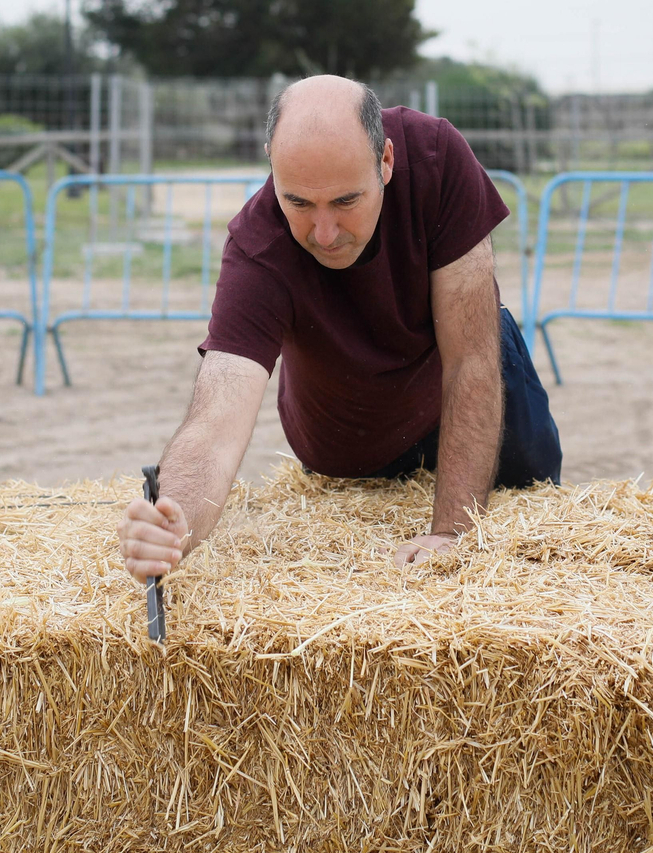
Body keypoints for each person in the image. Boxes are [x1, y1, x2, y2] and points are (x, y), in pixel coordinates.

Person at [117, 76, 561, 578]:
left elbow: (471, 358)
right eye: (299, 204)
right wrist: (172, 523)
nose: (323, 234)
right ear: (270, 160)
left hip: (471, 393)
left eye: (346, 201)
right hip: (351, 433)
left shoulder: (437, 159)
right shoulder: (257, 246)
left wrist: (451, 531)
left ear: (386, 161)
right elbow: (216, 422)